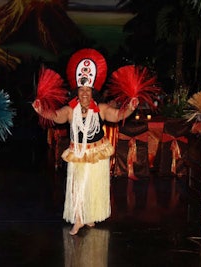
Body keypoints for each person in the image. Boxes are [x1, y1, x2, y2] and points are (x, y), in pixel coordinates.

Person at [32, 48, 139, 235]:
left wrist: (130, 108)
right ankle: (79, 219)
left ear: (93, 92)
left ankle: (89, 216)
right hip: (78, 154)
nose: (84, 94)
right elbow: (56, 116)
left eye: (88, 90)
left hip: (97, 153)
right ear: (76, 91)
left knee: (94, 186)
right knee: (78, 187)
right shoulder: (69, 110)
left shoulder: (102, 109)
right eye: (81, 90)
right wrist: (42, 111)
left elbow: (118, 115)